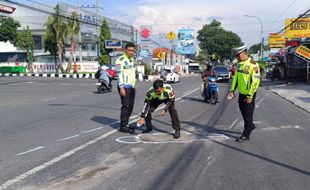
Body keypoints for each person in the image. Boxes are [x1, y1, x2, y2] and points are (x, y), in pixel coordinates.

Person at [228, 45, 260, 142]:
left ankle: (246, 135)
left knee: (248, 115)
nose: (237, 57)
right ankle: (251, 125)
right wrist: (232, 90)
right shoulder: (239, 64)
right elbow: (235, 78)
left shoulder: (253, 64)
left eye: (238, 55)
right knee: (243, 112)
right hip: (241, 93)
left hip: (249, 94)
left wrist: (250, 95)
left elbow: (256, 81)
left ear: (244, 53)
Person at [116, 42, 137, 133]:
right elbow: (119, 74)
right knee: (126, 106)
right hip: (124, 87)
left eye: (132, 51)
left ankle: (126, 123)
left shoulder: (132, 60)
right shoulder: (120, 60)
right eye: (129, 50)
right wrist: (121, 87)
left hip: (131, 87)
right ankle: (123, 125)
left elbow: (132, 74)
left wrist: (134, 86)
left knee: (131, 106)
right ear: (125, 50)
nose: (131, 52)